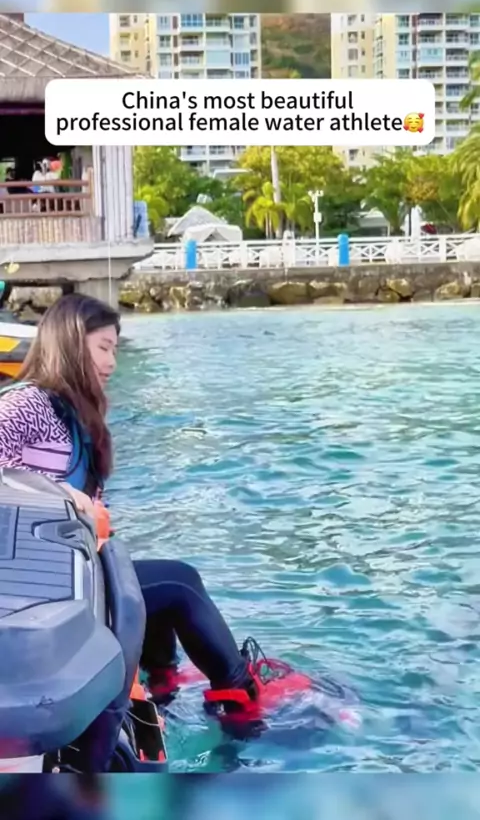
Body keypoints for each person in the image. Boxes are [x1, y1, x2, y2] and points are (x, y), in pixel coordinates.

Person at [0, 293, 311, 758]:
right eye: (103, 348)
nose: (112, 362)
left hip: (73, 584)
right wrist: (57, 493)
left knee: (144, 585)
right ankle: (241, 697)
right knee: (180, 583)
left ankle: (160, 685)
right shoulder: (30, 404)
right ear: (70, 344)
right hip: (37, 595)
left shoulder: (76, 415)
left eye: (115, 349)